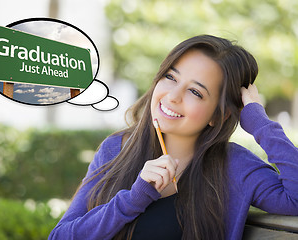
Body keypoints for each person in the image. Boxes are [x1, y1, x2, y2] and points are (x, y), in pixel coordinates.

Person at [48, 35, 298, 240]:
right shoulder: (116, 148)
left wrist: (259, 123)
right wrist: (133, 199)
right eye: (170, 77)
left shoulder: (234, 166)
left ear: (218, 116)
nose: (173, 96)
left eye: (195, 92)